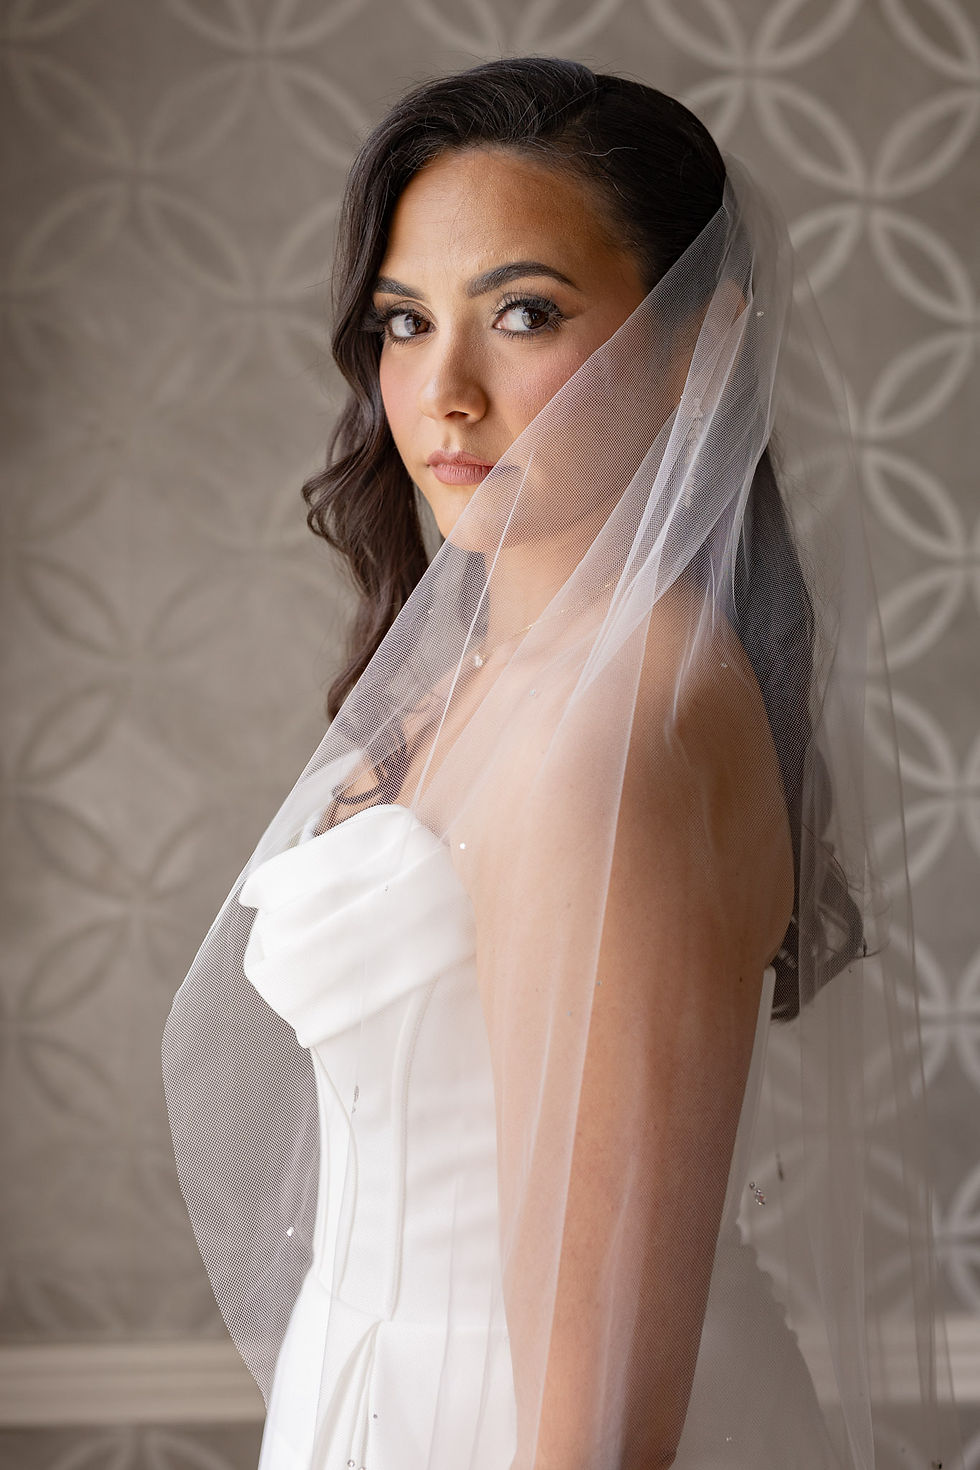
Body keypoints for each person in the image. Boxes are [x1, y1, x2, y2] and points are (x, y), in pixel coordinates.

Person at [162, 57, 960, 1470]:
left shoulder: (619, 722)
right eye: (405, 322)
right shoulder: (494, 665)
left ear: (701, 343)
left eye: (523, 313)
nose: (443, 392)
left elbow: (600, 1400)